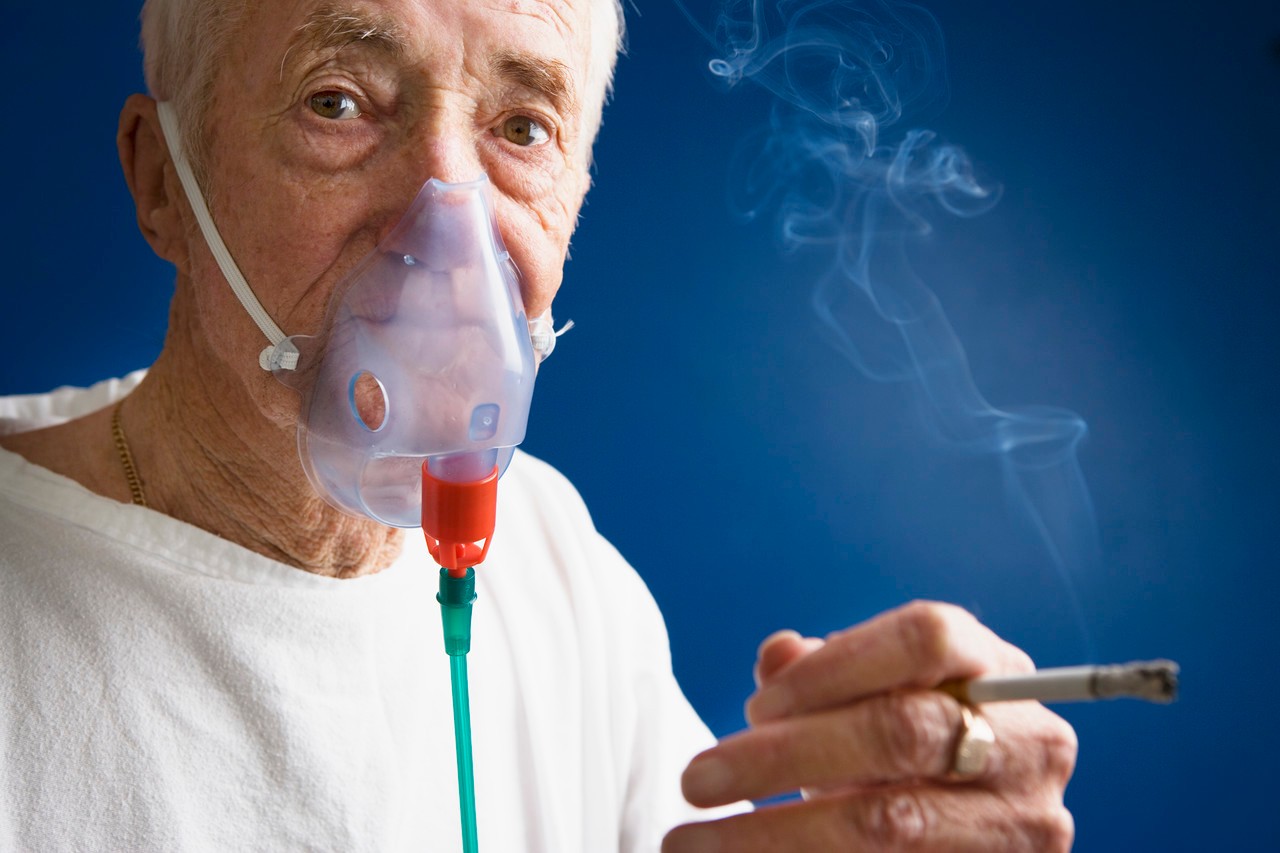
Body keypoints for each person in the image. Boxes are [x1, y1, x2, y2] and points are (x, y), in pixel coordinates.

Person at [0, 0, 1077, 850]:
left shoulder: (552, 559)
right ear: (159, 182)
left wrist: (915, 810)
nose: (445, 214)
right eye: (339, 102)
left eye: (521, 129)